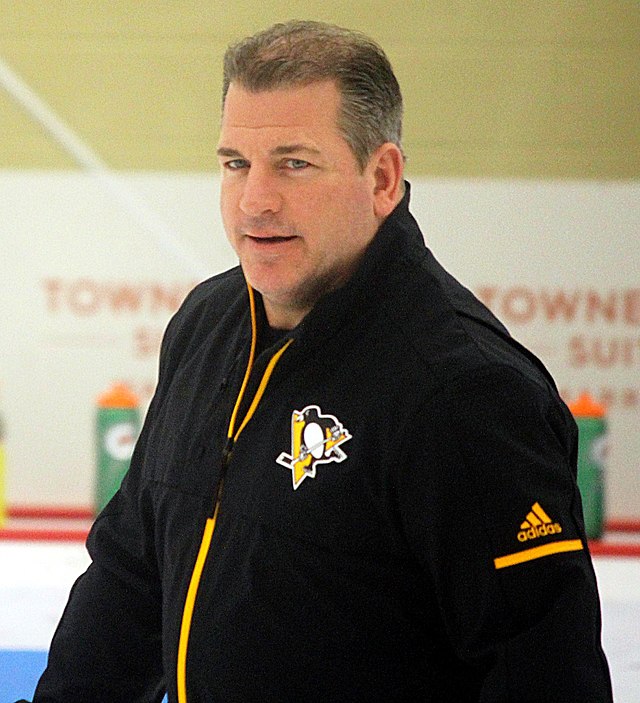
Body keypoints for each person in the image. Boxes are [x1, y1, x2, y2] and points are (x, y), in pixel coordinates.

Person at [24, 20, 612, 702]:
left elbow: (540, 673)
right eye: (236, 163)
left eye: (294, 163)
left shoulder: (463, 393)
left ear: (382, 177)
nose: (254, 199)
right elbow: (130, 579)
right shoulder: (206, 326)